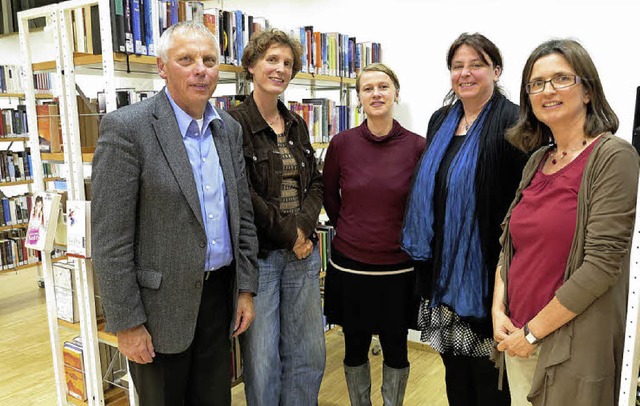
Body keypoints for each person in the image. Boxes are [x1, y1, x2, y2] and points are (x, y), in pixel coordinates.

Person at [91, 22, 259, 405]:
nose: (201, 69)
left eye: (209, 60)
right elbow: (110, 239)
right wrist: (128, 322)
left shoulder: (228, 130)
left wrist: (245, 290)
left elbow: (242, 217)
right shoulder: (128, 129)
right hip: (157, 310)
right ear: (162, 67)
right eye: (186, 59)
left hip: (219, 299)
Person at [492, 39, 639, 406]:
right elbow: (510, 244)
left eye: (561, 78)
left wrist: (532, 334)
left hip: (568, 345)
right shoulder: (538, 160)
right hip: (517, 336)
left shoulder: (614, 157)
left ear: (587, 90)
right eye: (537, 83)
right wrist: (498, 310)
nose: (548, 90)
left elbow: (601, 266)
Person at [401, 33, 527, 406]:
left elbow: (521, 203)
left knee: (489, 382)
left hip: (488, 276)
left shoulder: (515, 122)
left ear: (496, 70)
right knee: (455, 375)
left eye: (476, 64)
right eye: (458, 66)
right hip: (440, 274)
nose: (466, 73)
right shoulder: (441, 119)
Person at [226, 29, 325, 406]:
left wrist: (302, 229)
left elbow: (315, 181)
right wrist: (290, 234)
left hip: (302, 256)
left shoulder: (297, 123)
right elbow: (242, 193)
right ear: (251, 65)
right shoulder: (232, 125)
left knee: (309, 354)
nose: (280, 69)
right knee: (263, 361)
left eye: (287, 63)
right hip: (262, 260)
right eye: (271, 60)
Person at [322, 63, 425, 406]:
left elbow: (422, 205)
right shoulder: (341, 144)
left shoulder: (417, 147)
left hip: (399, 268)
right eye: (368, 89)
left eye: (383, 87)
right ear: (359, 98)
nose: (376, 94)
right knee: (354, 346)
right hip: (350, 267)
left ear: (396, 92)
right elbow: (329, 196)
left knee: (396, 346)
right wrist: (353, 230)